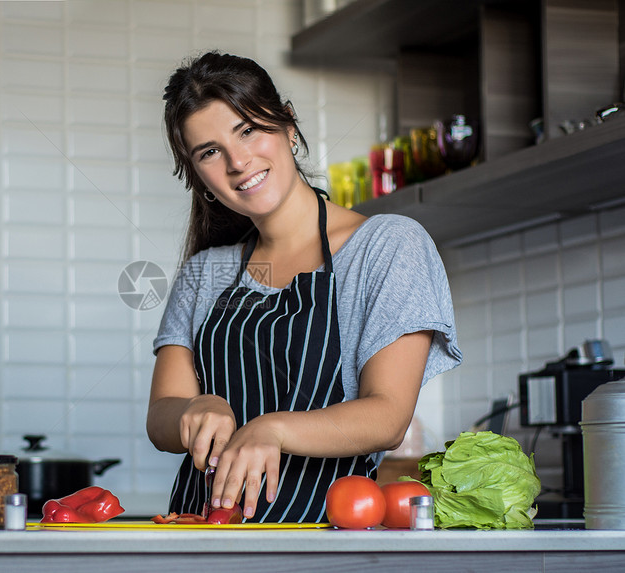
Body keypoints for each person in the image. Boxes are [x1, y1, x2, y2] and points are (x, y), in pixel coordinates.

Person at [147, 51, 462, 523]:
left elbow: (388, 417)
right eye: (209, 152)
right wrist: (197, 406)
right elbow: (160, 419)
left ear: (288, 126)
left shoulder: (386, 247)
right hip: (197, 535)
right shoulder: (204, 273)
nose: (237, 161)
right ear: (199, 177)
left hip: (324, 535)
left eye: (247, 130)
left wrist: (273, 429)